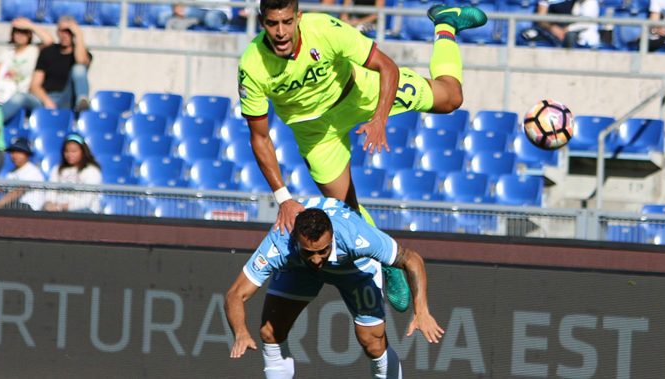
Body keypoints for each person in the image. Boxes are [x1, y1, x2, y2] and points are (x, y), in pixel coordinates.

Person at [237, 0, 487, 312]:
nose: (281, 32)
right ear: (263, 22)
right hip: (316, 133)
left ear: (298, 17)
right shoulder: (253, 65)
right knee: (348, 209)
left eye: (287, 22)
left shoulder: (325, 30)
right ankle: (390, 261)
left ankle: (446, 24)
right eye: (273, 24)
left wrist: (380, 118)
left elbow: (387, 66)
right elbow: (259, 137)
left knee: (451, 98)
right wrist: (283, 197)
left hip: (361, 93)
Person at [225, 198, 444, 378]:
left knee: (373, 343)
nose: (317, 259)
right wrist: (241, 332)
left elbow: (412, 259)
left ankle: (387, 265)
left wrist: (422, 311)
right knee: (270, 332)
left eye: (323, 250)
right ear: (295, 241)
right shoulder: (279, 242)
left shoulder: (355, 235)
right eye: (309, 252)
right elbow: (235, 294)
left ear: (332, 237)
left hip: (353, 268)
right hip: (299, 270)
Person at [0, 17, 54, 122]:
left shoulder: (34, 50)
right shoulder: (7, 52)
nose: (19, 35)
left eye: (24, 32)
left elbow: (49, 41)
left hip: (24, 95)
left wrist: (30, 26)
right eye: (17, 32)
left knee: (18, 97)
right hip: (1, 94)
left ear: (29, 34)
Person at [28, 15, 92, 114]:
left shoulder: (82, 52)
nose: (65, 35)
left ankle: (82, 103)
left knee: (79, 68)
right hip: (46, 98)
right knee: (19, 97)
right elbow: (34, 85)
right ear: (58, 32)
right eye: (62, 31)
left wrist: (79, 34)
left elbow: (81, 61)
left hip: (67, 99)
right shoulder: (48, 52)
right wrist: (46, 100)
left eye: (69, 32)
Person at [0, 137, 45, 210]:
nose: (14, 155)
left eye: (19, 152)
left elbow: (18, 191)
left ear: (27, 154)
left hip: (30, 209)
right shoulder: (12, 172)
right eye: (12, 152)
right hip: (15, 207)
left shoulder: (32, 171)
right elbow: (3, 189)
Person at [43, 133, 102, 213]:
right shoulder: (57, 169)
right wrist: (49, 203)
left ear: (83, 152)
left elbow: (87, 201)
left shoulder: (92, 171)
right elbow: (51, 192)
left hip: (84, 212)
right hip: (59, 212)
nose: (69, 155)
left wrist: (61, 207)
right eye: (67, 151)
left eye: (74, 151)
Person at [520, 0, 600, 48]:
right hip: (550, 31)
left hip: (570, 34)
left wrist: (566, 30)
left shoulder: (584, 3)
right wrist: (553, 28)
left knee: (570, 37)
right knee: (527, 34)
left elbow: (585, 21)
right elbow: (541, 17)